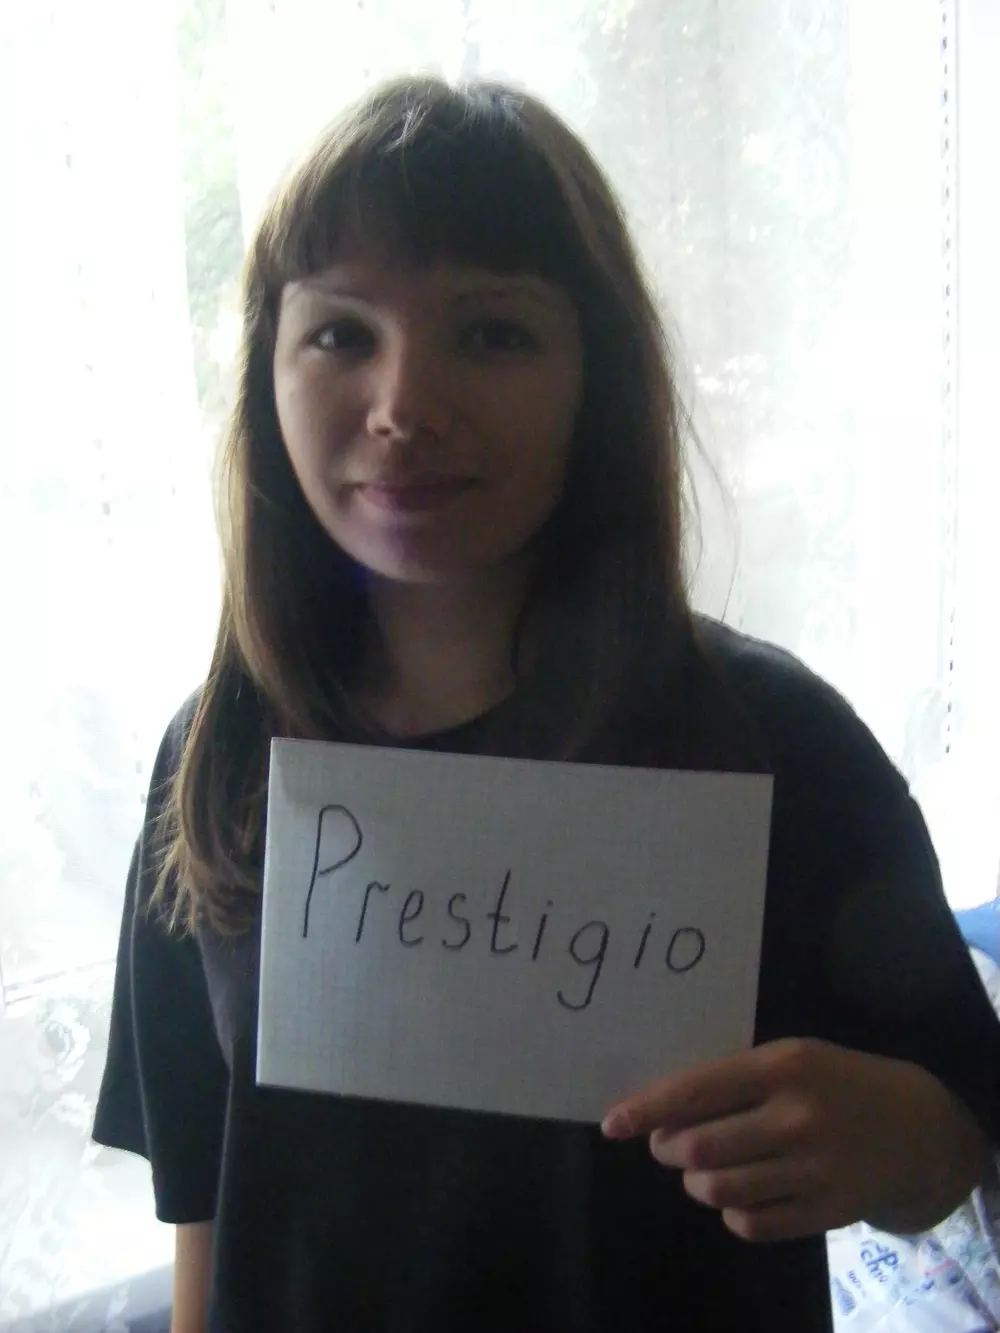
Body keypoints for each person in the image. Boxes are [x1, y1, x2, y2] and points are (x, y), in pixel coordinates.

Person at [93, 75, 1000, 1333]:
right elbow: (202, 1194)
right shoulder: (217, 756)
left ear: (595, 376)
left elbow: (954, 1136)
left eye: (493, 334)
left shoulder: (777, 742)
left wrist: (887, 1133)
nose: (404, 407)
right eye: (342, 334)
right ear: (265, 372)